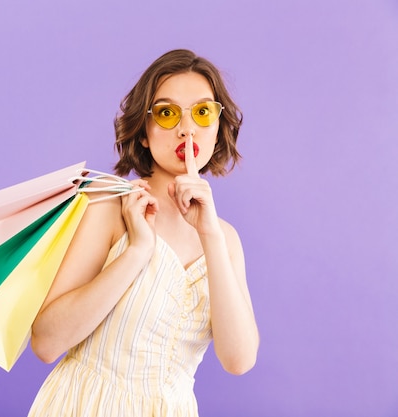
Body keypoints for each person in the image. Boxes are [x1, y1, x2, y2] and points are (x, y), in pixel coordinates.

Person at [27, 49, 259, 416]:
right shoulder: (108, 208)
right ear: (145, 133)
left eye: (202, 112)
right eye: (167, 113)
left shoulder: (225, 238)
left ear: (217, 127)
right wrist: (137, 251)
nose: (186, 128)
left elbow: (239, 360)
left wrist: (210, 235)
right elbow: (45, 342)